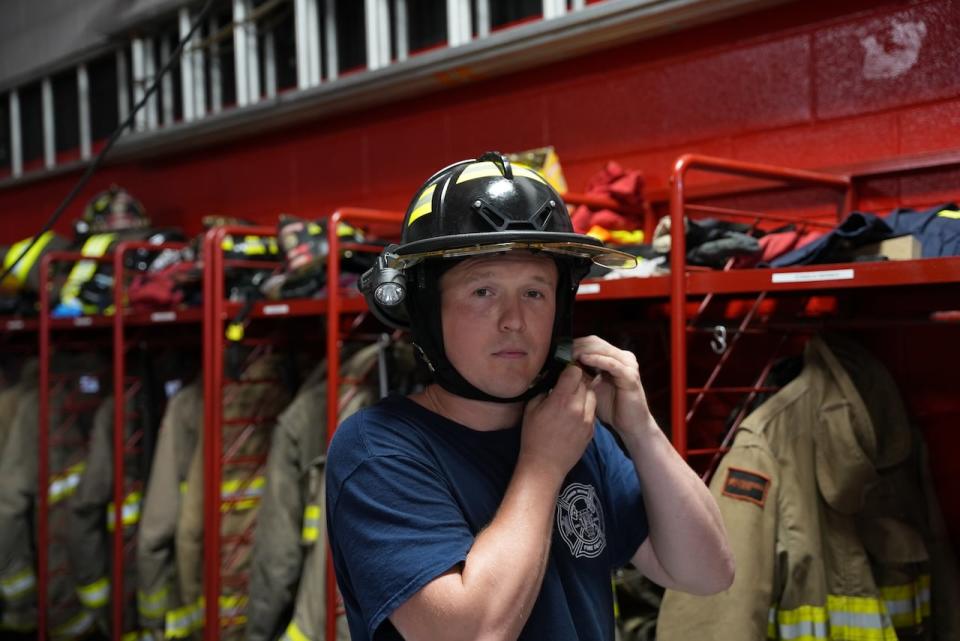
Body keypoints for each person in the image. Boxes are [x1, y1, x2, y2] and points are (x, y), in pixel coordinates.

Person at [327, 152, 734, 641]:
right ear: (427, 309)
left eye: (535, 293)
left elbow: (707, 573)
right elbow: (469, 634)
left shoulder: (575, 429)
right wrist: (542, 465)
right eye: (483, 291)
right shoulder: (378, 449)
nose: (514, 320)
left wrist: (640, 429)